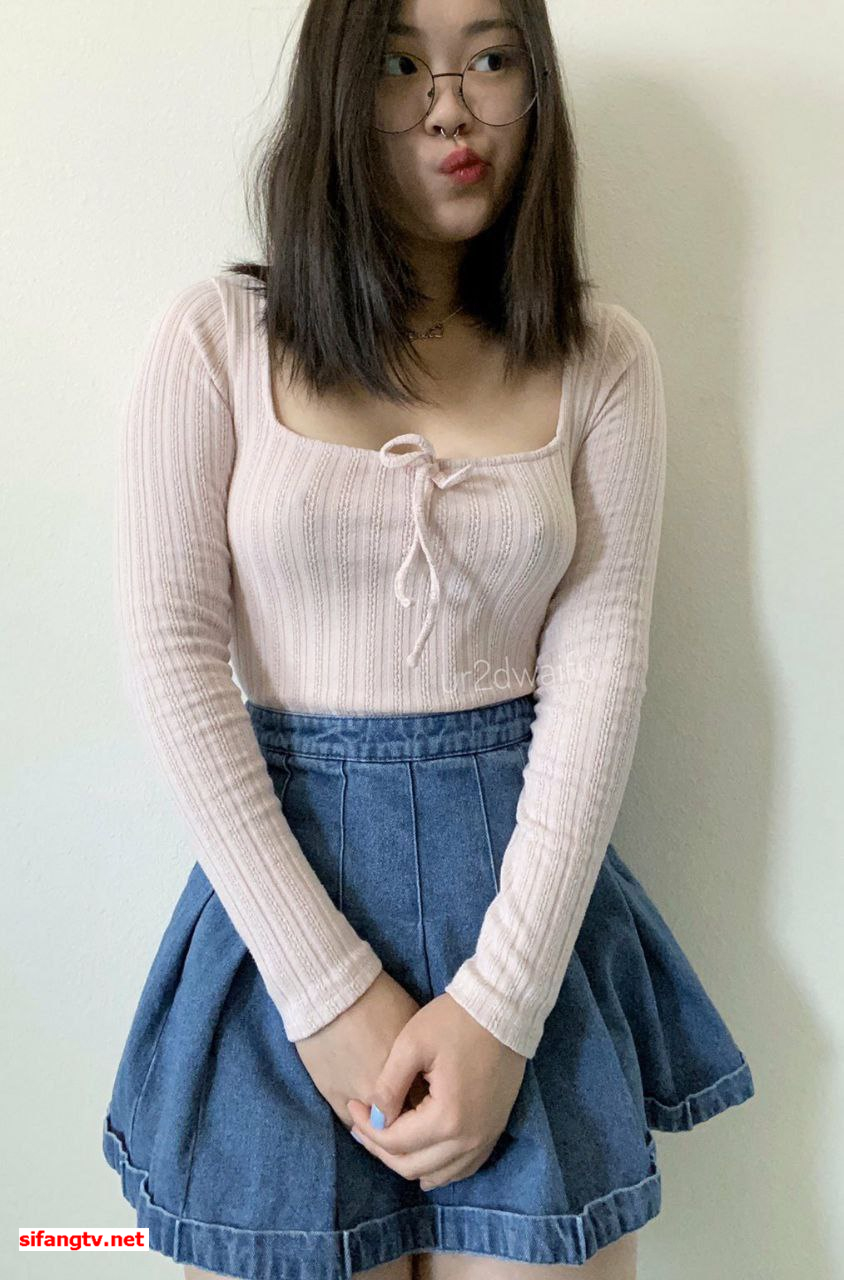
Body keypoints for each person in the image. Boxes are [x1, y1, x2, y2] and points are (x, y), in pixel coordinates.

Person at [101, 2, 755, 1277]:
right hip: (279, 912)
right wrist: (326, 992)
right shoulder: (217, 337)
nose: (450, 104)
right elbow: (172, 654)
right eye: (401, 63)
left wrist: (502, 1007)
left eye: (490, 59)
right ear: (337, 92)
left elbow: (600, 666)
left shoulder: (601, 357)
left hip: (526, 914)